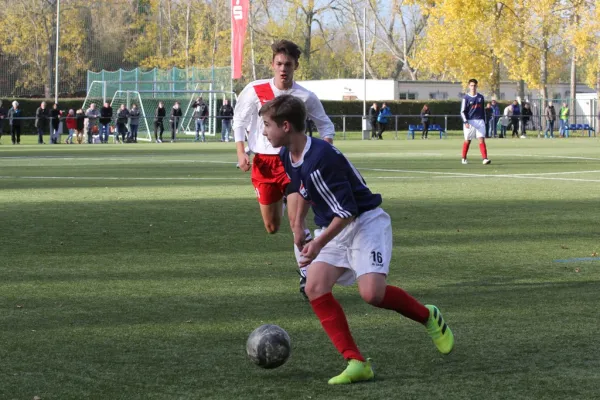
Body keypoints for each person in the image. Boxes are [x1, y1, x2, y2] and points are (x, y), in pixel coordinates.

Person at [260, 94, 454, 384]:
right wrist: (298, 226)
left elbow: (348, 211)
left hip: (365, 222)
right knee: (314, 286)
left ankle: (428, 316)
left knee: (372, 294)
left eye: (266, 125)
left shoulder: (321, 158)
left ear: (286, 126)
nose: (263, 131)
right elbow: (297, 189)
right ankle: (356, 362)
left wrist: (317, 243)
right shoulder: (288, 155)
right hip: (333, 225)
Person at [233, 39, 335, 300]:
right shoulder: (255, 90)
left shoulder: (305, 97)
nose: (283, 69)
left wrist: (321, 154)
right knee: (272, 227)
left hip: (293, 163)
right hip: (264, 165)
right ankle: (284, 210)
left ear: (296, 66)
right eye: (279, 64)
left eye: (288, 64)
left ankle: (306, 274)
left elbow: (326, 126)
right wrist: (241, 152)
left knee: (295, 223)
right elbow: (239, 121)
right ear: (272, 65)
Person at [460, 79, 491, 165]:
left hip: (480, 121)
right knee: (468, 140)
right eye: (471, 85)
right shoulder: (466, 98)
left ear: (477, 86)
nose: (473, 87)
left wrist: (484, 121)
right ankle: (464, 158)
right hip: (470, 121)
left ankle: (485, 158)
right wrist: (465, 121)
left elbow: (482, 110)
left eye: (474, 85)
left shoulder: (480, 97)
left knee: (481, 139)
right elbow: (462, 111)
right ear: (469, 86)